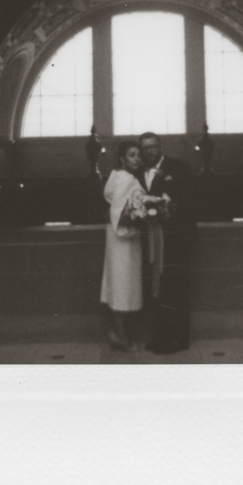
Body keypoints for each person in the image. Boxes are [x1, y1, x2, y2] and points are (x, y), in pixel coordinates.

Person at [138, 132, 197, 354]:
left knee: (177, 289)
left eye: (152, 147)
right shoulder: (137, 173)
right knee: (156, 291)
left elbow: (190, 200)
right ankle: (160, 336)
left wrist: (169, 208)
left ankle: (180, 338)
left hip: (175, 241)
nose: (148, 151)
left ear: (159, 147)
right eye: (144, 148)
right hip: (150, 243)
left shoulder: (178, 168)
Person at [100, 140, 145, 352]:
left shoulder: (116, 175)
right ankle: (120, 334)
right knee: (122, 285)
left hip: (118, 239)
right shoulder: (127, 179)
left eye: (138, 155)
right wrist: (139, 217)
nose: (137, 158)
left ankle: (118, 331)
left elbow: (112, 202)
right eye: (132, 155)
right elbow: (118, 212)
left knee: (120, 283)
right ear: (122, 158)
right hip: (123, 239)